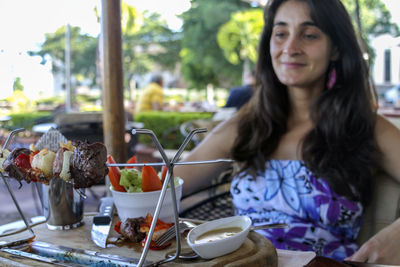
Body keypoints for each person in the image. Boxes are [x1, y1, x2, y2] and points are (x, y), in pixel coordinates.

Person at [174, 0, 400, 264]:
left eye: (310, 35)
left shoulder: (365, 126)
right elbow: (163, 187)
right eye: (281, 34)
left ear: (336, 48)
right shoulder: (246, 125)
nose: (290, 48)